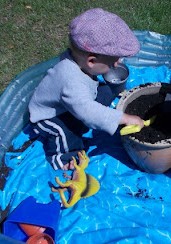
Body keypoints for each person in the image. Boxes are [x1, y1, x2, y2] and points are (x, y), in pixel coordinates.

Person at [29, 8, 144, 170]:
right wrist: (122, 118)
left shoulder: (78, 61)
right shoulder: (72, 82)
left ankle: (89, 120)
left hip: (72, 103)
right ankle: (62, 158)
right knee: (66, 132)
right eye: (112, 63)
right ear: (91, 61)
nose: (117, 64)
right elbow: (88, 112)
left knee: (105, 91)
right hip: (49, 117)